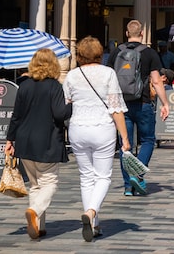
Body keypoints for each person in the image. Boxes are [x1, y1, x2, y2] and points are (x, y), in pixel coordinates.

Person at [63, 36, 131, 242]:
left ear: (79, 55)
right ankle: (92, 212)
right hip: (102, 128)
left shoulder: (72, 75)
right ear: (100, 54)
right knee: (103, 177)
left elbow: (66, 103)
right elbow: (116, 107)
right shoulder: (108, 73)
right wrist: (125, 137)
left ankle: (94, 223)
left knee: (86, 177)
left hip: (78, 128)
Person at [4, 48, 72, 241]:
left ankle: (38, 226)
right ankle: (34, 211)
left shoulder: (24, 86)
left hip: (25, 142)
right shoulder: (54, 86)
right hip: (47, 141)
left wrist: (10, 139)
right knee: (49, 183)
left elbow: (16, 116)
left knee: (35, 185)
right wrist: (71, 106)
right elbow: (60, 114)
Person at [113, 19, 170, 196]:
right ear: (143, 34)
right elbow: (156, 81)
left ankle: (127, 186)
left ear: (127, 33)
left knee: (125, 144)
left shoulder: (117, 52)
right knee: (148, 140)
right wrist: (165, 103)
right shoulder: (149, 53)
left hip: (122, 105)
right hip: (144, 103)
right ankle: (137, 175)